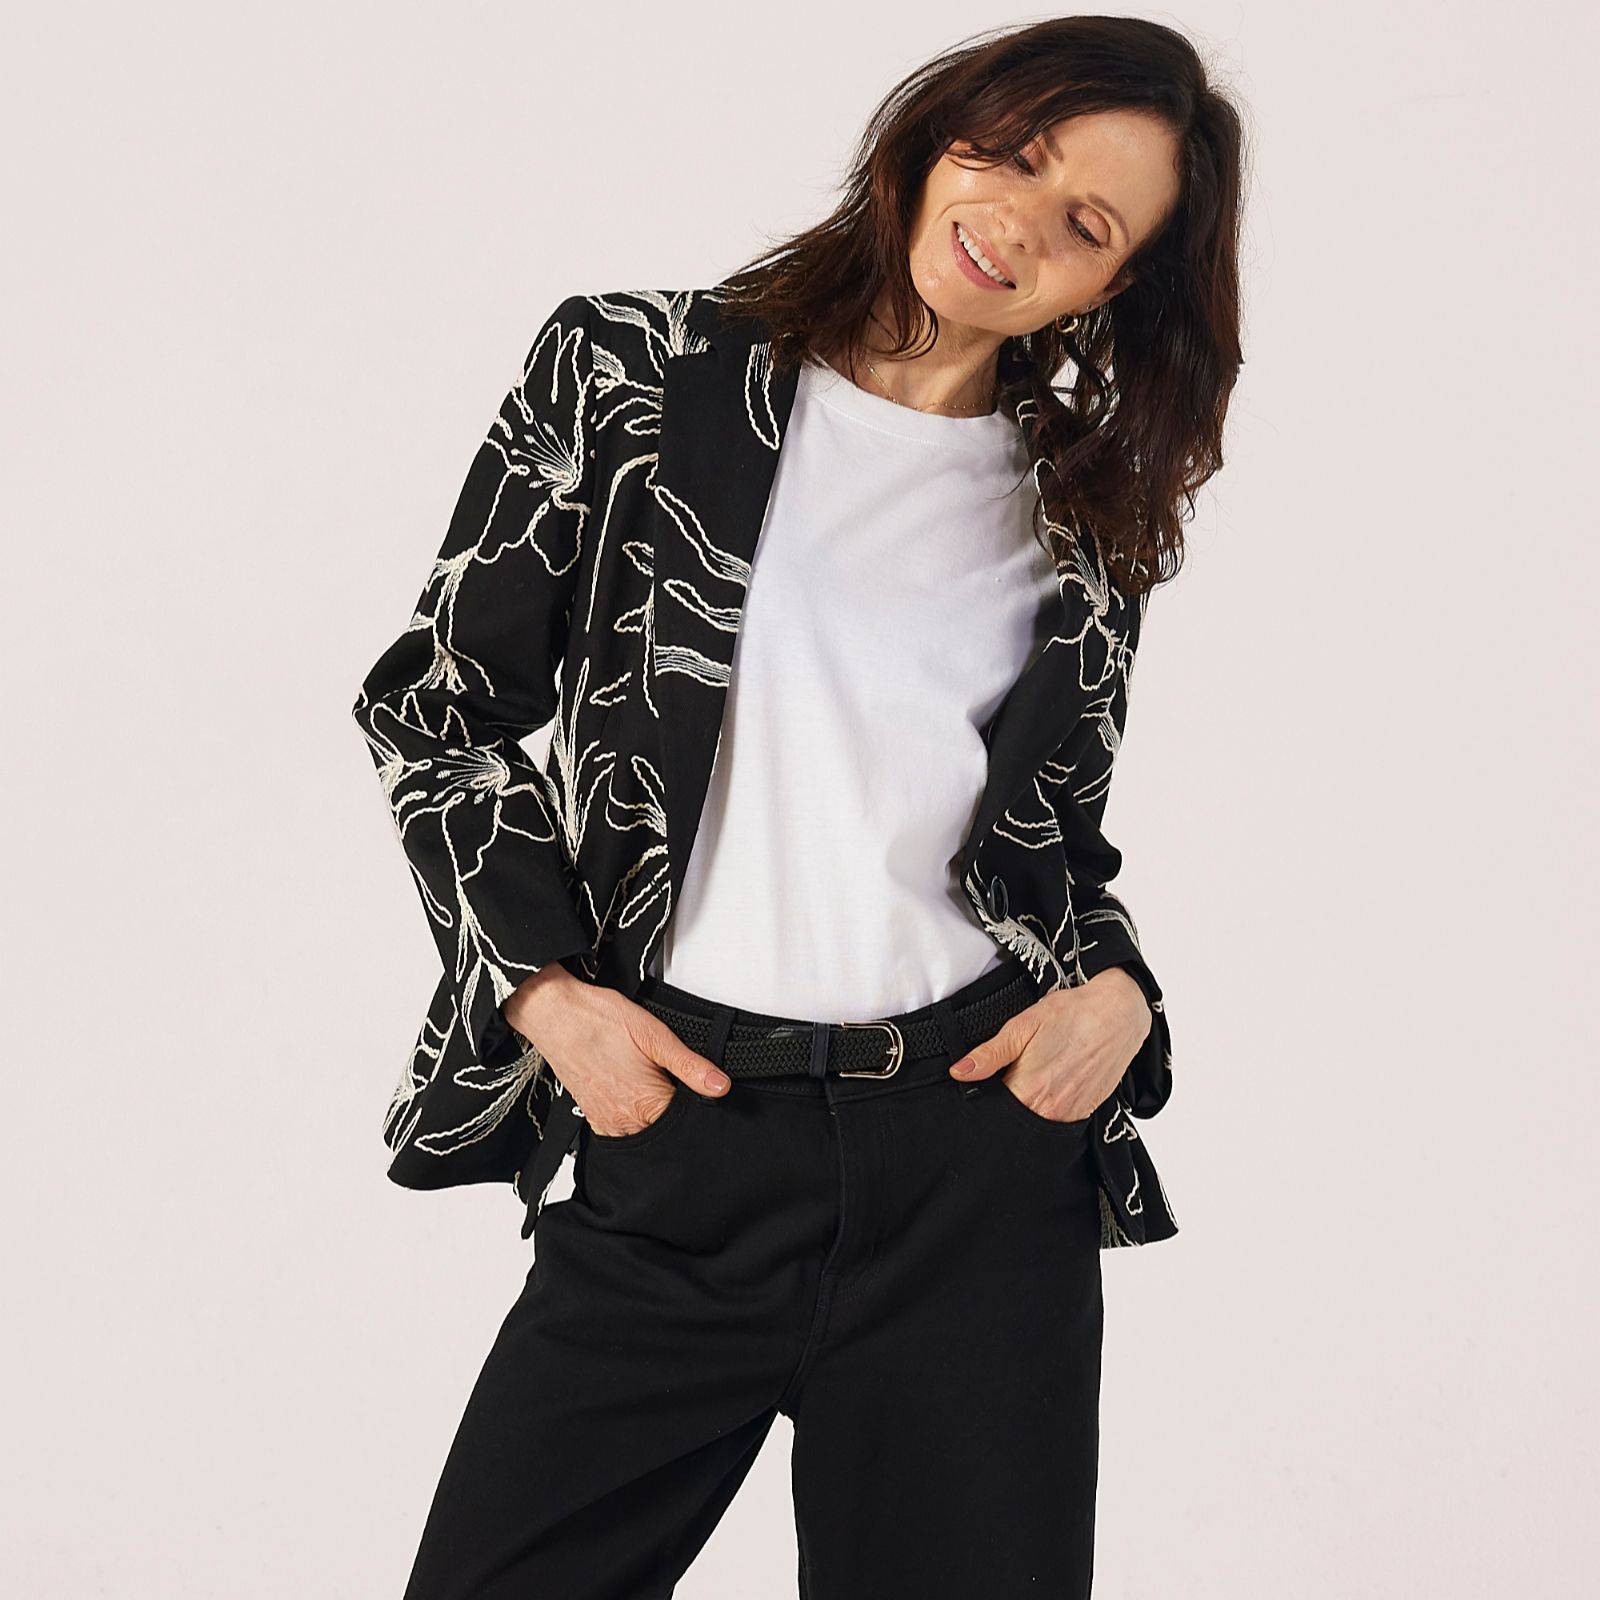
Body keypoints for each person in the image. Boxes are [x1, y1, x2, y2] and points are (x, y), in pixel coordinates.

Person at [351, 17, 1245, 1597]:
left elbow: (1044, 845)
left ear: (1114, 288)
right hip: (685, 1135)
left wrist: (1121, 995)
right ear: (939, 130)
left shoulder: (1083, 511)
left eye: (1087, 224)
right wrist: (546, 992)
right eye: (1013, 153)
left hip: (978, 1172)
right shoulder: (635, 370)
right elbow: (438, 705)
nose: (1018, 222)